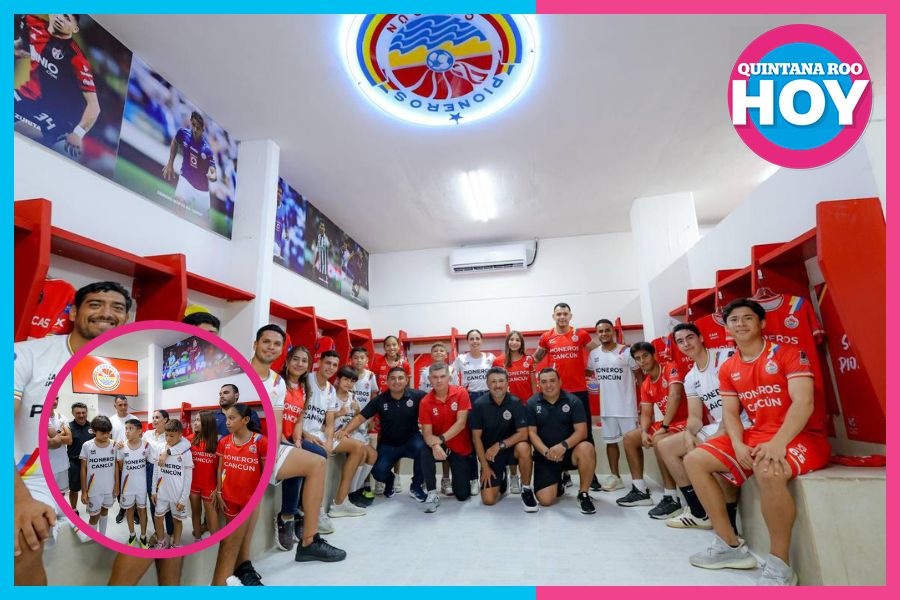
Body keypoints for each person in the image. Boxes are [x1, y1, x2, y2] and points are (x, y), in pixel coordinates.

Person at [685, 299, 830, 585]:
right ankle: (728, 544)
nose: (740, 324)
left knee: (768, 468)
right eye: (734, 320)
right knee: (694, 460)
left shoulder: (789, 354)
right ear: (727, 328)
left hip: (802, 435)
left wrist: (779, 442)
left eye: (747, 318)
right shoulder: (728, 367)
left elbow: (804, 403)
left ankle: (780, 566)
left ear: (761, 323)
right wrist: (738, 444)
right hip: (757, 434)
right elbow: (730, 413)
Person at [14, 280, 131, 585]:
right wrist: (18, 499)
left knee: (27, 538)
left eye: (117, 307)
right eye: (95, 304)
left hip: (49, 479)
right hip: (20, 475)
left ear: (126, 318)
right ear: (74, 312)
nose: (106, 313)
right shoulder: (26, 354)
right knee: (21, 536)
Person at [255, 328, 346, 572]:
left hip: (288, 439)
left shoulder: (304, 387)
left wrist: (298, 436)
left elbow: (298, 417)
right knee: (307, 462)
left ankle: (301, 515)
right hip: (273, 441)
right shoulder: (277, 382)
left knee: (318, 455)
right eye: (295, 359)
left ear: (308, 365)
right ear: (287, 361)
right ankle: (288, 515)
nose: (299, 363)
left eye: (304, 360)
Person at [212, 324, 286, 586]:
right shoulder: (238, 372)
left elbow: (276, 424)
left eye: (277, 344)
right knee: (232, 521)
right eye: (266, 341)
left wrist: (271, 459)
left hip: (253, 464)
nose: (271, 347)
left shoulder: (277, 383)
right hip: (228, 476)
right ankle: (235, 570)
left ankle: (243, 565)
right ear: (255, 344)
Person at [658, 323, 746, 530]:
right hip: (718, 425)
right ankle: (699, 512)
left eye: (690, 337)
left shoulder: (725, 357)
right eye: (680, 341)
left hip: (742, 423)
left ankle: (730, 525)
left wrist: (721, 431)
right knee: (665, 446)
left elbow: (741, 398)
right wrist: (689, 433)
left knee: (708, 454)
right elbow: (695, 417)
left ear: (701, 338)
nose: (686, 344)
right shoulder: (690, 377)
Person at [532, 302, 602, 490]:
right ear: (553, 316)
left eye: (565, 314)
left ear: (570, 316)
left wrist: (593, 367)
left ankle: (591, 475)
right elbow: (535, 358)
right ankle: (563, 474)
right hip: (555, 392)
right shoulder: (547, 337)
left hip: (579, 391)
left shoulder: (580, 334)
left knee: (586, 434)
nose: (562, 317)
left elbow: (597, 352)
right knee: (557, 431)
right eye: (558, 314)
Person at [14, 15, 100, 159]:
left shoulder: (77, 59)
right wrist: (18, 48)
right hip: (26, 95)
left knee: (19, 130)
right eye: (61, 13)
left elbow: (94, 107)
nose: (61, 18)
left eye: (67, 19)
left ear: (75, 29)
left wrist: (78, 133)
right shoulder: (31, 22)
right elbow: (23, 44)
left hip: (56, 115)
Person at [616, 341, 686, 519]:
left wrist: (663, 427)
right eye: (638, 358)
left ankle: (671, 498)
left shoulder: (670, 368)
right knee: (630, 438)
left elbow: (675, 396)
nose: (642, 361)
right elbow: (646, 413)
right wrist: (644, 431)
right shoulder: (646, 383)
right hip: (668, 424)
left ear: (654, 355)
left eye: (645, 356)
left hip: (686, 422)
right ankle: (640, 490)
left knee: (659, 440)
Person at [339, 367, 426, 500]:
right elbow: (360, 418)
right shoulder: (380, 400)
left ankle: (416, 486)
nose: (397, 381)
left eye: (400, 378)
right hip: (389, 444)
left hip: (411, 441)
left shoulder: (418, 395)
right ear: (387, 381)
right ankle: (390, 481)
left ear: (406, 380)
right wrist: (344, 431)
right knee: (378, 472)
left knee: (424, 450)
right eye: (393, 378)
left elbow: (435, 401)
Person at [525, 368, 597, 514]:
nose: (548, 385)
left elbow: (582, 431)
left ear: (560, 382)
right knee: (545, 501)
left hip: (569, 453)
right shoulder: (532, 403)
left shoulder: (574, 401)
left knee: (587, 447)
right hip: (546, 455)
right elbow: (531, 433)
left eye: (552, 381)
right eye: (544, 382)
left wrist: (563, 446)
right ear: (539, 384)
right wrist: (546, 452)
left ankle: (583, 494)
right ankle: (558, 483)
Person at [469, 367, 537, 512]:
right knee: (488, 500)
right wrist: (485, 466)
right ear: (487, 384)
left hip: (511, 449)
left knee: (524, 447)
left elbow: (523, 434)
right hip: (491, 455)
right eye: (493, 382)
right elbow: (476, 438)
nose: (497, 385)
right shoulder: (479, 405)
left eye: (501, 381)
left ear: (507, 383)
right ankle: (502, 478)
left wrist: (499, 445)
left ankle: (526, 489)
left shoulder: (516, 402)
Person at [586, 319, 642, 492]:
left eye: (607, 330)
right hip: (607, 408)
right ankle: (616, 477)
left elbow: (640, 376)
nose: (604, 334)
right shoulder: (594, 354)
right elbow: (588, 372)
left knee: (633, 445)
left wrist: (644, 401)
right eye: (600, 331)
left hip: (627, 408)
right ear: (597, 334)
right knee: (611, 443)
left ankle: (638, 482)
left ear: (613, 332)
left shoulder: (626, 351)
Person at [419, 362, 476, 512]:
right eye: (435, 377)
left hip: (458, 446)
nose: (439, 380)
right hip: (438, 444)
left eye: (442, 376)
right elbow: (427, 434)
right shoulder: (425, 402)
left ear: (449, 378)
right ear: (429, 379)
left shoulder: (461, 393)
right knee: (424, 450)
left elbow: (461, 423)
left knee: (462, 495)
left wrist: (440, 439)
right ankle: (432, 493)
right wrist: (435, 444)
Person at [300, 349, 342, 528]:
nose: (330, 367)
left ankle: (316, 510)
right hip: (300, 434)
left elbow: (330, 422)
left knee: (326, 452)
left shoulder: (331, 390)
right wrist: (305, 434)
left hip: (318, 436)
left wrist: (329, 442)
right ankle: (314, 511)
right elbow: (293, 412)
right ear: (319, 363)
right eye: (328, 363)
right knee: (320, 457)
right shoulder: (306, 380)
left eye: (334, 365)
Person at [493, 331, 536, 494]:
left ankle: (524, 479)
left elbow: (533, 384)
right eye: (511, 339)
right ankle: (512, 476)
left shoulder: (529, 360)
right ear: (507, 342)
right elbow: (495, 384)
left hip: (526, 408)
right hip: (507, 409)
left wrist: (535, 403)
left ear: (521, 343)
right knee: (509, 442)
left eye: (517, 340)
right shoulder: (499, 361)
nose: (514, 342)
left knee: (524, 444)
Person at [325, 366, 370, 518]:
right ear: (338, 379)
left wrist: (356, 412)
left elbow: (355, 419)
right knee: (359, 448)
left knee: (363, 451)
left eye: (352, 381)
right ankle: (340, 502)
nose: (348, 383)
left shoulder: (352, 397)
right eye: (345, 379)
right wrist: (338, 413)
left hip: (345, 435)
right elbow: (321, 421)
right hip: (329, 435)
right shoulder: (330, 394)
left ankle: (346, 498)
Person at [162, 110, 218, 222]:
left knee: (204, 222)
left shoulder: (207, 150)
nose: (195, 129)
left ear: (203, 130)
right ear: (190, 123)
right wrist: (170, 163)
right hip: (185, 179)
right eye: (193, 125)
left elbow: (213, 170)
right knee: (177, 208)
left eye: (198, 128)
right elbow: (174, 142)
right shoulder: (183, 133)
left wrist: (213, 177)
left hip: (201, 189)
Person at [418, 342, 454, 496]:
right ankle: (428, 479)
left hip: (447, 411)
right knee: (428, 446)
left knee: (446, 445)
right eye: (435, 350)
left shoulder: (452, 369)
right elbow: (421, 393)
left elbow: (455, 391)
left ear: (446, 354)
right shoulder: (424, 371)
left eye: (441, 350)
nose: (438, 352)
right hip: (429, 412)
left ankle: (446, 479)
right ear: (431, 355)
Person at [150, 419, 192, 549]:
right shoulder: (160, 448)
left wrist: (183, 498)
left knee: (177, 520)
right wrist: (153, 490)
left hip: (177, 494)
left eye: (172, 436)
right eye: (166, 435)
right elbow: (156, 470)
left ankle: (176, 544)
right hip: (162, 491)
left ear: (180, 435)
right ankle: (161, 542)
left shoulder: (186, 452)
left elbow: (188, 478)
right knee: (158, 517)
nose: (168, 439)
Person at [347, 346, 379, 504]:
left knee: (368, 453)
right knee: (359, 453)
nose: (359, 360)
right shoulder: (347, 375)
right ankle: (352, 491)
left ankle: (362, 487)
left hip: (365, 420)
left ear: (367, 360)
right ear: (351, 360)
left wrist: (372, 418)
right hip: (349, 420)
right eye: (356, 357)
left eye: (362, 358)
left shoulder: (370, 375)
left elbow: (374, 395)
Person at [79, 415, 118, 536]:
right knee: (94, 516)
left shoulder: (114, 445)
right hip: (93, 489)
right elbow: (83, 469)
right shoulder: (87, 446)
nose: (106, 436)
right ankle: (92, 538)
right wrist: (84, 491)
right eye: (102, 433)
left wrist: (116, 485)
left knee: (105, 511)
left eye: (108, 433)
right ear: (94, 431)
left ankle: (102, 536)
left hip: (109, 488)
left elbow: (116, 466)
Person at [117, 418, 150, 548]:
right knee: (129, 510)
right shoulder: (121, 447)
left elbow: (149, 462)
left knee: (142, 510)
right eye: (126, 428)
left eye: (130, 428)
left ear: (139, 431)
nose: (127, 431)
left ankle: (143, 536)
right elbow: (121, 466)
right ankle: (132, 534)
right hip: (127, 486)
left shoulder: (146, 446)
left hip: (141, 485)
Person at [189, 411, 220, 541]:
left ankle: (216, 543)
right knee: (195, 513)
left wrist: (218, 488)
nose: (195, 423)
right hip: (193, 484)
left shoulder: (218, 442)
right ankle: (197, 538)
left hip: (210, 486)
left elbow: (221, 469)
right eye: (195, 420)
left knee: (212, 517)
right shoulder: (189, 440)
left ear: (207, 423)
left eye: (198, 420)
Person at [109, 395, 138, 524]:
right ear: (115, 406)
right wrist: (115, 443)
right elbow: (107, 438)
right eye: (120, 405)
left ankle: (135, 511)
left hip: (133, 458)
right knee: (120, 485)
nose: (123, 407)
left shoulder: (134, 419)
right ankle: (122, 508)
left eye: (125, 404)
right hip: (117, 459)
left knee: (134, 485)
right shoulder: (111, 420)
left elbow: (139, 437)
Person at [451, 329, 497, 402]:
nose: (475, 341)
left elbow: (500, 373)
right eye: (471, 339)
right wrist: (456, 389)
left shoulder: (490, 357)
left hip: (489, 395)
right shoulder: (461, 358)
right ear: (467, 341)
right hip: (469, 396)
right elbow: (449, 373)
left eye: (477, 338)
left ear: (481, 341)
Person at [67, 402, 93, 516]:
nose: (81, 415)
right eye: (78, 413)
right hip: (75, 463)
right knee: (74, 488)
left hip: (91, 463)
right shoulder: (68, 427)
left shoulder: (93, 426)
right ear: (73, 413)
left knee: (92, 486)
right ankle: (73, 509)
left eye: (83, 412)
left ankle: (91, 506)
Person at [47, 397, 72, 494]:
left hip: (62, 464)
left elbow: (69, 440)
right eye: (52, 398)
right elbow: (48, 443)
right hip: (47, 465)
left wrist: (54, 437)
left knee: (61, 493)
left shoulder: (62, 417)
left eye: (57, 398)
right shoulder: (39, 418)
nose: (55, 401)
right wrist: (61, 433)